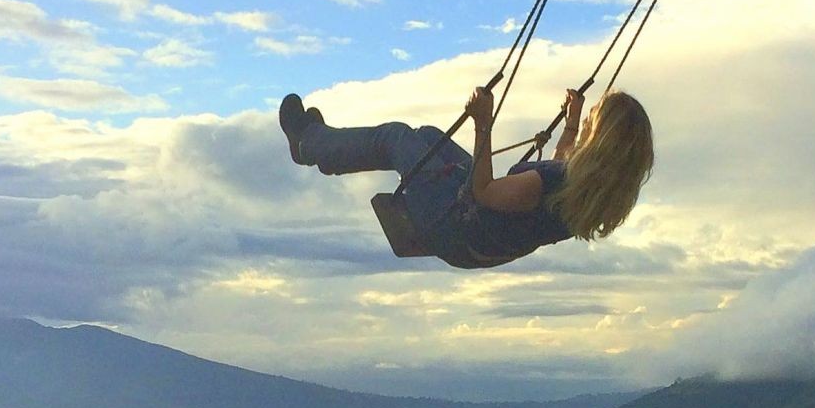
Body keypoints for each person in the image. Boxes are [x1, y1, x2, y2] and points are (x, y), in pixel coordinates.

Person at [278, 83, 653, 269]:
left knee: (394, 137)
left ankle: (308, 145)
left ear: (601, 136)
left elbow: (484, 191)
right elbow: (562, 163)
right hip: (479, 241)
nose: (587, 121)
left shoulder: (544, 184)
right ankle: (327, 150)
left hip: (456, 225)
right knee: (426, 136)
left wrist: (483, 124)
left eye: (592, 120)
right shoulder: (588, 194)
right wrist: (571, 122)